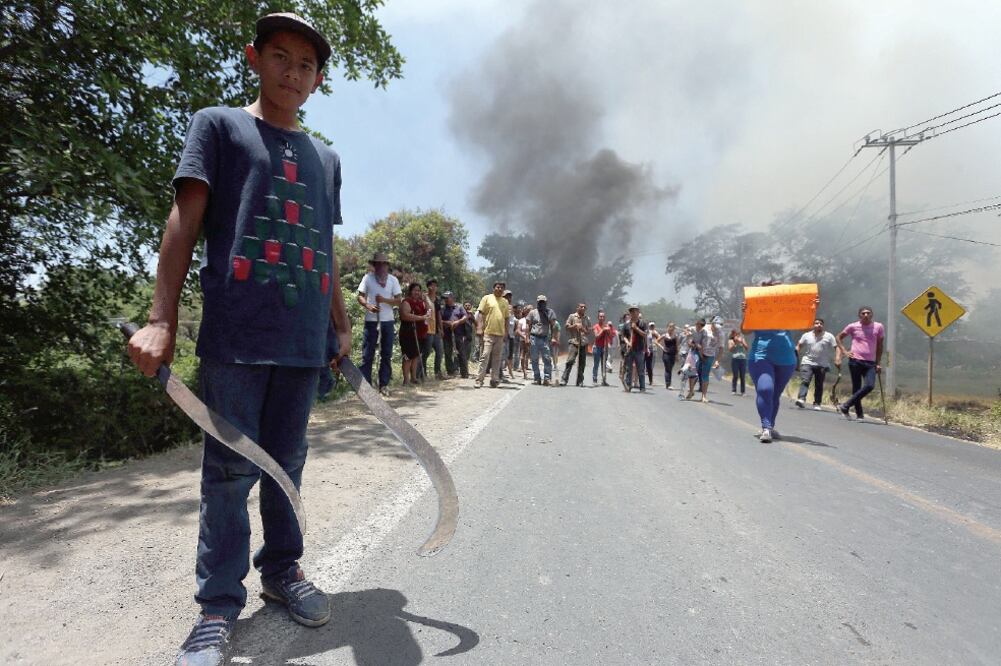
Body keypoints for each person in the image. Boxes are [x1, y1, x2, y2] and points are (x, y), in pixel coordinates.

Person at [125, 14, 348, 664]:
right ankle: (217, 610)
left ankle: (282, 573)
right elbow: (184, 219)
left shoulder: (325, 159)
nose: (293, 73)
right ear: (254, 57)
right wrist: (161, 318)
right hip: (236, 337)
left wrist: (339, 328)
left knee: (288, 467)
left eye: (306, 66)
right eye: (280, 57)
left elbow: (326, 250)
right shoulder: (218, 126)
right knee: (227, 475)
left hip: (304, 344)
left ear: (318, 80)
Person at [743, 281, 812, 442]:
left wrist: (810, 308)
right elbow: (745, 330)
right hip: (761, 356)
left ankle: (771, 426)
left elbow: (804, 327)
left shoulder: (788, 308)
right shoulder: (758, 305)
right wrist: (747, 312)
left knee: (775, 395)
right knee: (766, 389)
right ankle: (765, 427)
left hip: (786, 359)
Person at [357, 253, 402, 393]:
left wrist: (384, 300)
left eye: (384, 264)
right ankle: (366, 387)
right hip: (371, 321)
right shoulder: (368, 278)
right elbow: (360, 296)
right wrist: (368, 306)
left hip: (387, 321)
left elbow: (399, 300)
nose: (381, 266)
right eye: (378, 264)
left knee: (386, 353)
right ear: (374, 265)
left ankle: (384, 384)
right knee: (367, 353)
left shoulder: (393, 280)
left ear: (387, 266)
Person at [835, 306, 885, 421]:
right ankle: (859, 414)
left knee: (869, 385)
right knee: (856, 388)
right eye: (863, 313)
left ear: (872, 315)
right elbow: (838, 337)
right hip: (855, 360)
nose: (866, 315)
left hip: (870, 362)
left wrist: (878, 363)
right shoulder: (853, 326)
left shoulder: (878, 327)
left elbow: (880, 346)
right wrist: (844, 352)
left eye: (868, 313)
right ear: (859, 315)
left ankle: (845, 405)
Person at [795, 318, 837, 410]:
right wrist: (796, 353)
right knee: (805, 380)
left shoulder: (829, 336)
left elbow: (836, 347)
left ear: (823, 325)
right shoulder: (806, 335)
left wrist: (837, 358)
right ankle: (801, 399)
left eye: (821, 323)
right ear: (813, 325)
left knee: (819, 384)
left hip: (822, 364)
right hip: (807, 362)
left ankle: (817, 403)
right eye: (816, 323)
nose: (818, 325)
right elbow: (799, 345)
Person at [475, 281, 510, 388]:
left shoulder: (505, 302)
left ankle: (494, 380)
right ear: (493, 288)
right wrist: (479, 328)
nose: (499, 289)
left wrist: (506, 333)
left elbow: (507, 318)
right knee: (485, 356)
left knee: (497, 358)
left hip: (500, 335)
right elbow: (480, 314)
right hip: (488, 333)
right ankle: (479, 380)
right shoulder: (486, 298)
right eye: (498, 287)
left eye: (502, 288)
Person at [399, 282, 430, 386]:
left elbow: (429, 311)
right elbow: (405, 316)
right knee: (408, 357)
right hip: (408, 333)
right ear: (410, 291)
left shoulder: (421, 302)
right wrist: (421, 318)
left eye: (418, 290)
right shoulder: (406, 302)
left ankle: (414, 378)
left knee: (415, 356)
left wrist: (425, 299)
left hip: (420, 334)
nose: (417, 292)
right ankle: (406, 380)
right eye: (415, 290)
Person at [527, 295, 558, 385]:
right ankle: (537, 377)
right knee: (534, 359)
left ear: (546, 303)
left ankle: (547, 377)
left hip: (544, 338)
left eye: (543, 302)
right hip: (534, 337)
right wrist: (526, 338)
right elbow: (528, 326)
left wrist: (553, 337)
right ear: (537, 302)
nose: (541, 304)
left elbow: (554, 326)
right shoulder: (532, 312)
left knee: (547, 358)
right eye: (540, 302)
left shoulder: (550, 312)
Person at [561, 303, 591, 387]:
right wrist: (574, 326)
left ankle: (580, 381)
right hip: (574, 342)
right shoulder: (572, 316)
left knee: (582, 363)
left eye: (585, 307)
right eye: (581, 307)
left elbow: (589, 331)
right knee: (570, 361)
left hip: (583, 343)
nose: (583, 308)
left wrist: (583, 329)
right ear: (577, 308)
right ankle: (564, 379)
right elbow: (566, 327)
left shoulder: (587, 318)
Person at [441, 291, 469, 378]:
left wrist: (458, 322)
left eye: (447, 298)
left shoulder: (459, 307)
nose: (445, 300)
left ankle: (464, 373)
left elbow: (465, 317)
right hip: (447, 334)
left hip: (459, 334)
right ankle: (450, 372)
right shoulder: (442, 309)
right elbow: (439, 320)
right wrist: (447, 323)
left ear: (452, 298)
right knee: (447, 353)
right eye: (444, 298)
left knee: (461, 353)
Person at [421, 278, 444, 380]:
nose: (433, 287)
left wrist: (441, 328)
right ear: (428, 287)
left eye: (435, 285)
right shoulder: (424, 297)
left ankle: (437, 372)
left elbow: (439, 315)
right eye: (431, 285)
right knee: (426, 352)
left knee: (439, 351)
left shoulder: (437, 300)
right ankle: (422, 373)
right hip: (427, 329)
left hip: (435, 330)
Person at [622, 306, 647, 392]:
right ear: (630, 313)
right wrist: (627, 342)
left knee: (640, 369)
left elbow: (645, 334)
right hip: (630, 349)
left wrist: (636, 328)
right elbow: (623, 336)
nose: (634, 313)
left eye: (635, 311)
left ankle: (642, 387)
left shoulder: (642, 324)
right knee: (629, 369)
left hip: (639, 349)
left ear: (638, 312)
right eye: (632, 312)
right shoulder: (626, 324)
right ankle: (628, 386)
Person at [697, 317, 723, 403]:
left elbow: (721, 348)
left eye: (719, 326)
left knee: (705, 375)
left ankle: (704, 396)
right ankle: (691, 390)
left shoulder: (720, 334)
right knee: (695, 371)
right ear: (712, 323)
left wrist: (717, 361)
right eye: (716, 325)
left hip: (710, 355)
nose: (717, 328)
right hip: (699, 352)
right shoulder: (704, 328)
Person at [591, 310, 614, 386]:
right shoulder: (595, 326)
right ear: (598, 317)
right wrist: (603, 330)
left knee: (603, 364)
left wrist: (608, 331)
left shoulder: (606, 327)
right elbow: (596, 337)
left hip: (604, 347)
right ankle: (595, 379)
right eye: (600, 316)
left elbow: (610, 336)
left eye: (603, 316)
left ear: (605, 318)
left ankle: (604, 380)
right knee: (596, 364)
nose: (602, 318)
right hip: (597, 347)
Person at [728, 329, 748, 396]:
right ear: (733, 335)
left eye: (738, 334)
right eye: (736, 334)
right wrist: (735, 343)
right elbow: (730, 349)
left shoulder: (742, 339)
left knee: (742, 375)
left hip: (743, 359)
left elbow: (747, 348)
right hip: (735, 359)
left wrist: (742, 342)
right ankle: (734, 390)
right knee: (735, 375)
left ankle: (743, 391)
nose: (737, 335)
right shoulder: (731, 341)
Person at [660, 322, 678, 390]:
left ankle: (669, 383)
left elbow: (677, 346)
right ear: (667, 327)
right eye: (670, 326)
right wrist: (662, 347)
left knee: (670, 368)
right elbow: (656, 341)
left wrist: (677, 355)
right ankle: (668, 384)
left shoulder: (675, 336)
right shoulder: (664, 335)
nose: (671, 328)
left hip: (672, 354)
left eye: (673, 327)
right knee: (667, 368)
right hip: (666, 354)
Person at [645, 322, 657, 386]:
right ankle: (638, 380)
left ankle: (651, 380)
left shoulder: (652, 332)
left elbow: (658, 337)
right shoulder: (643, 332)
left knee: (649, 366)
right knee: (640, 366)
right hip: (642, 349)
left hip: (650, 350)